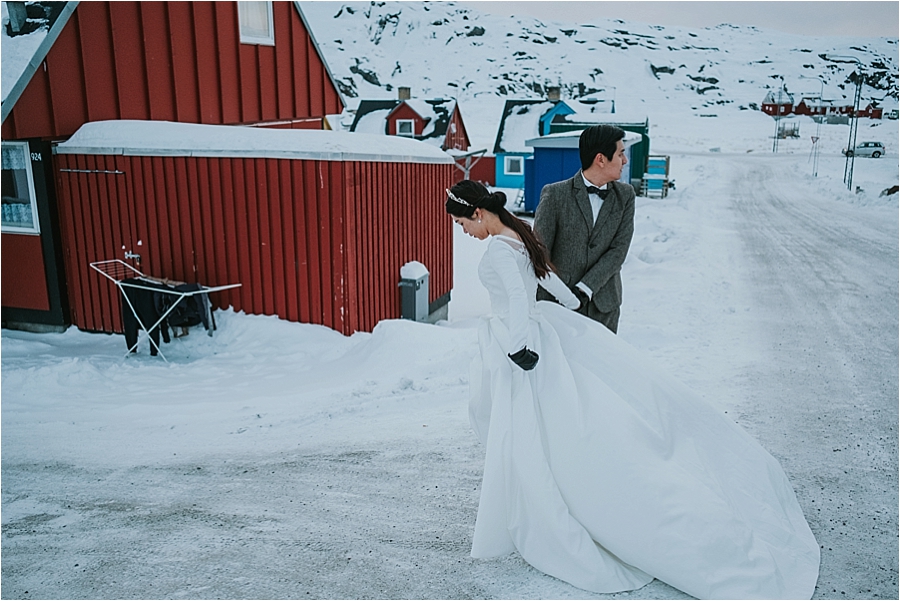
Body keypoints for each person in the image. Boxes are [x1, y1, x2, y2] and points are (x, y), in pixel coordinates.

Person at [445, 180, 820, 599]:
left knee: (535, 431)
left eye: (462, 223)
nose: (464, 232)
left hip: (521, 341)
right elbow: (543, 274)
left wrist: (518, 346)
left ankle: (562, 500)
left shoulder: (498, 246)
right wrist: (568, 304)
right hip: (542, 329)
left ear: (477, 213)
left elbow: (517, 295)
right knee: (556, 422)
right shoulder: (518, 234)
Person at [533, 124, 634, 333]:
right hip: (559, 306)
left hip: (605, 306)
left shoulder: (626, 196)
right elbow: (540, 254)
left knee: (603, 365)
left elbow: (619, 251)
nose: (625, 160)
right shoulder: (555, 195)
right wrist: (547, 303)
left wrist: (586, 287)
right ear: (601, 159)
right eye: (620, 153)